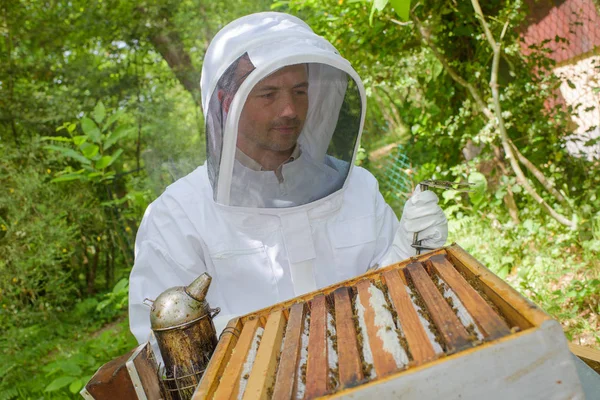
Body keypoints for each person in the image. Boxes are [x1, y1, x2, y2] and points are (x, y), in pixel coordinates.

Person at [128, 12, 448, 348]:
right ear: (226, 103)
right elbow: (165, 347)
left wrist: (409, 253)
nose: (289, 110)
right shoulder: (176, 217)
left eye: (299, 91)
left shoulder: (357, 187)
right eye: (268, 94)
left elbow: (388, 294)